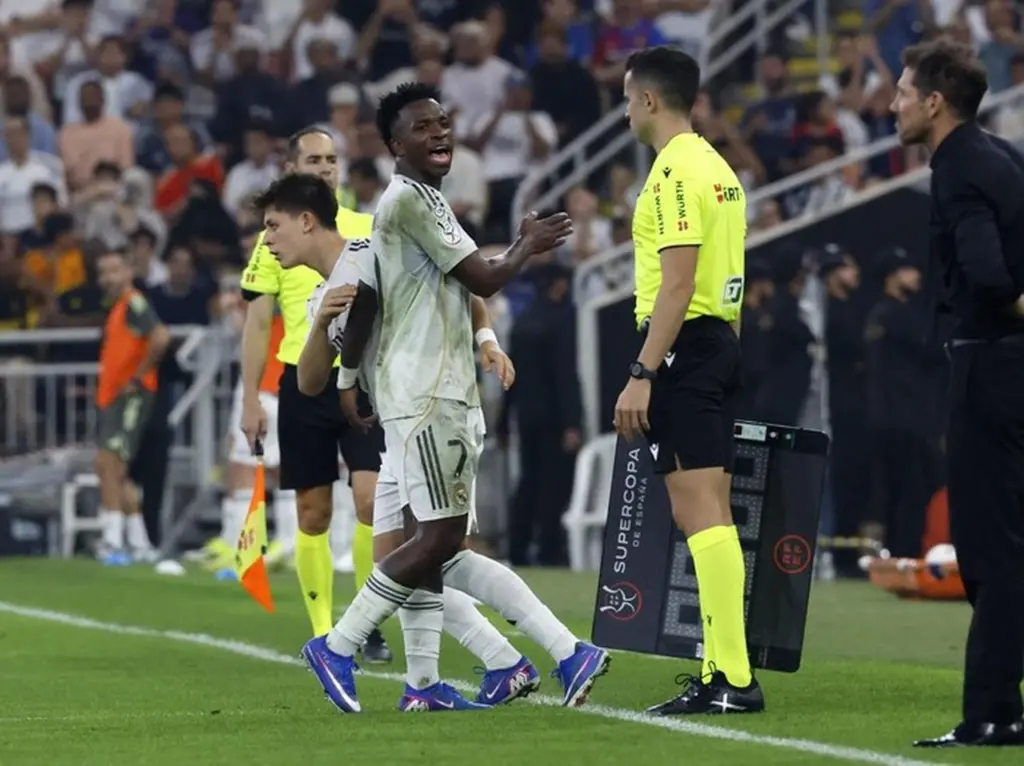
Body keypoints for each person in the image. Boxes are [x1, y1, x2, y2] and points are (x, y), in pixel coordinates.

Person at [290, 82, 598, 713]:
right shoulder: (411, 202)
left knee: (430, 549)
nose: (439, 134)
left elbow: (387, 300)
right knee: (437, 542)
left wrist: (353, 380)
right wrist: (526, 245)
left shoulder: (409, 206)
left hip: (419, 395)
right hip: (431, 394)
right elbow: (482, 275)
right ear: (395, 144)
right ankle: (341, 646)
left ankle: (435, 682)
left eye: (443, 123)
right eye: (422, 127)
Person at [612, 46, 764, 716]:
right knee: (709, 511)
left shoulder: (674, 171)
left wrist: (643, 371)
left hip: (685, 346)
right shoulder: (717, 167)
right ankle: (721, 668)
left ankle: (731, 676)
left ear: (648, 99)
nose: (625, 110)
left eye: (627, 98)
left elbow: (677, 285)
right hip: (718, 340)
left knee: (700, 511)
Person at [890, 38, 1024, 748]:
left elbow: (990, 278)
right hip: (1010, 367)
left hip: (990, 368)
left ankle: (993, 713)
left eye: (903, 93)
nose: (893, 105)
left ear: (935, 102)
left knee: (987, 545)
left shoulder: (959, 169)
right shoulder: (1002, 155)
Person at [238, 127, 391, 663]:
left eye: (332, 159)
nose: (326, 168)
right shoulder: (275, 238)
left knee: (371, 499)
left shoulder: (366, 229)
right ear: (292, 168)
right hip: (302, 382)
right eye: (314, 160)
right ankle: (325, 633)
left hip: (361, 378)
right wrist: (250, 398)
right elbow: (258, 323)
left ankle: (368, 623)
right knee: (312, 511)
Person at [93, 249, 170, 565]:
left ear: (128, 272)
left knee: (107, 462)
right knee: (117, 469)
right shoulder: (119, 308)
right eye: (103, 272)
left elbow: (161, 336)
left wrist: (138, 378)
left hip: (129, 396)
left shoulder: (134, 303)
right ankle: (139, 542)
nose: (107, 278)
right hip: (115, 397)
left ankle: (112, 539)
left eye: (114, 270)